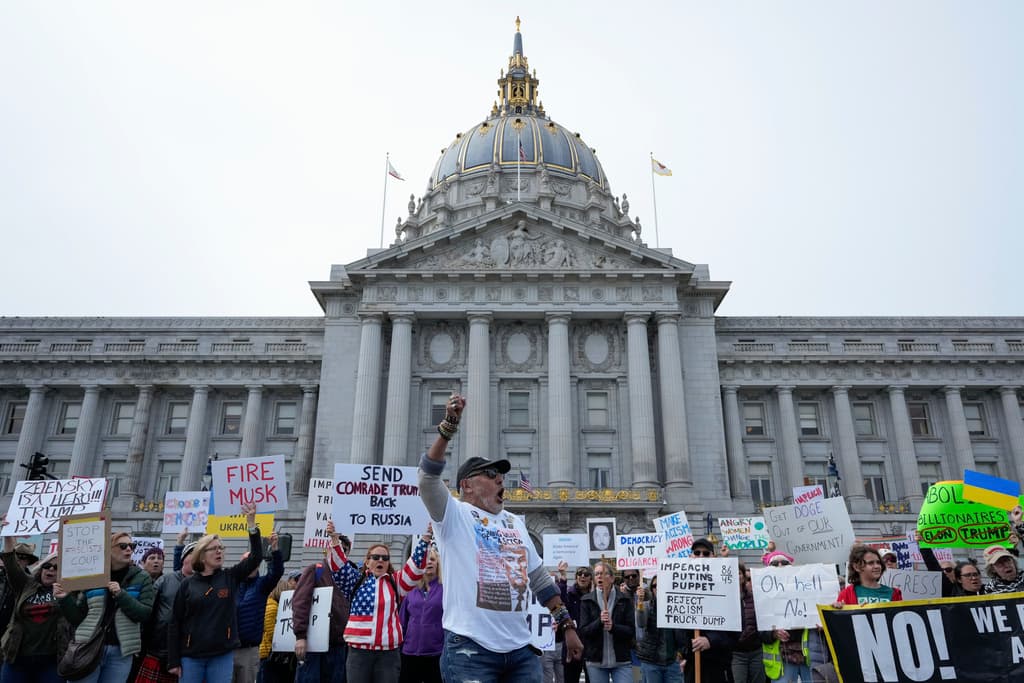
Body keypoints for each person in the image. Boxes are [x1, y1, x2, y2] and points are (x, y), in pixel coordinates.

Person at [418, 393, 583, 682]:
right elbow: (427, 478)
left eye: (501, 475)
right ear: (466, 485)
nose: (500, 479)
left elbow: (540, 581)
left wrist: (567, 626)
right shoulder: (453, 515)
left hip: (521, 652)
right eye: (491, 473)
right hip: (471, 651)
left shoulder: (514, 523)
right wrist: (449, 427)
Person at [322, 520, 430, 683]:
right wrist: (335, 539)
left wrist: (426, 538)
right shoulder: (355, 581)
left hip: (388, 655)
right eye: (376, 557)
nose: (381, 560)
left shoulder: (397, 583)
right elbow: (338, 566)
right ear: (367, 561)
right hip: (359, 653)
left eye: (385, 558)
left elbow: (415, 567)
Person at [167, 503, 263, 683]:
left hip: (222, 655)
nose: (219, 551)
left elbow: (256, 557)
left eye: (221, 548)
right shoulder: (187, 585)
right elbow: (175, 623)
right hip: (191, 656)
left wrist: (251, 524)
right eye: (214, 548)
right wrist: (173, 660)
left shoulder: (230, 577)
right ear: (202, 555)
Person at [58, 530, 156, 683]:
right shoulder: (93, 575)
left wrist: (121, 595)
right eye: (123, 546)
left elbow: (144, 614)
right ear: (108, 549)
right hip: (87, 647)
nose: (129, 549)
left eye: (132, 546)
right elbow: (78, 619)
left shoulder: (142, 577)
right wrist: (64, 599)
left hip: (120, 652)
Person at [0, 516, 67, 683]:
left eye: (56, 567)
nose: (50, 569)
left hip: (51, 660)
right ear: (41, 568)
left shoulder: (68, 591)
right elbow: (10, 561)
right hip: (17, 657)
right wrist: (8, 534)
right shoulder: (26, 584)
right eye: (47, 566)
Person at [759, 551, 829, 683]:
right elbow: (760, 632)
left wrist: (822, 623)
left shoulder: (808, 588)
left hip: (810, 657)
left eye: (784, 563)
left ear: (791, 566)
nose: (780, 566)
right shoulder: (762, 595)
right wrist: (773, 634)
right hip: (783, 660)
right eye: (775, 563)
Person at [134, 541, 197, 683]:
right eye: (191, 555)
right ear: (183, 559)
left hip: (189, 652)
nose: (195, 559)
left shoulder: (206, 585)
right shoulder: (165, 580)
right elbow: (148, 614)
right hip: (158, 650)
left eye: (199, 555)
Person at [680, 539, 737, 683]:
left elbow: (736, 631)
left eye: (705, 554)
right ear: (690, 556)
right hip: (692, 665)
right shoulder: (681, 588)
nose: (700, 557)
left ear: (713, 557)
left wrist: (710, 640)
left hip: (718, 665)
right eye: (696, 553)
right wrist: (683, 654)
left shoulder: (728, 588)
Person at [292, 545, 350, 683]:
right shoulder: (316, 570)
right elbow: (301, 601)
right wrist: (300, 635)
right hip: (314, 645)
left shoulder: (350, 576)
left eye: (343, 549)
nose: (339, 552)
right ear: (327, 550)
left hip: (339, 645)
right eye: (336, 548)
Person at [234, 532, 285, 683]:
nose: (250, 566)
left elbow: (276, 572)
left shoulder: (261, 585)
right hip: (227, 649)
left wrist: (275, 549)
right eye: (246, 562)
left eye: (253, 562)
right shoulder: (232, 584)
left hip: (248, 651)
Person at [579, 561, 633, 683]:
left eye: (603, 573)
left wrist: (614, 627)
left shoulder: (624, 599)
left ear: (612, 578)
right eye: (597, 574)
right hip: (596, 661)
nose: (599, 576)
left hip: (621, 661)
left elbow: (631, 631)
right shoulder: (587, 600)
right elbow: (583, 631)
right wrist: (599, 622)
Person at [398, 548, 444, 683]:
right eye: (426, 559)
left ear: (438, 564)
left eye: (432, 559)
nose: (429, 562)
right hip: (409, 652)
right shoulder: (410, 590)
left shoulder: (445, 589)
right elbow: (402, 620)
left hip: (435, 652)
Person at [635, 574, 686, 683]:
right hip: (651, 662)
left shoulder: (677, 606)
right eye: (655, 586)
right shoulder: (647, 605)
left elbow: (682, 633)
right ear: (652, 589)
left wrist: (681, 653)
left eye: (661, 584)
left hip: (672, 662)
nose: (658, 588)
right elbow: (641, 623)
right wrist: (639, 603)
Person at [0, 541, 38, 649]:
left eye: (23, 557)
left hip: (12, 633)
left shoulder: (32, 583)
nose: (18, 560)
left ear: (28, 561)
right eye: (16, 556)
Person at [258, 577, 297, 683]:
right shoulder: (272, 607)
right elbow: (271, 632)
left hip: (268, 652)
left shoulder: (271, 605)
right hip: (268, 653)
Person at [836, 545, 902, 605]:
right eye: (871, 563)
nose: (877, 566)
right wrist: (836, 610)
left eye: (878, 562)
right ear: (857, 567)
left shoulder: (894, 593)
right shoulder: (846, 594)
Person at [732, 563, 764, 683]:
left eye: (739, 573)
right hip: (737, 653)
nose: (737, 576)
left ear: (743, 576)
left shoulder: (754, 597)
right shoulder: (726, 598)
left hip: (756, 651)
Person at [563, 567, 593, 683]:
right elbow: (559, 606)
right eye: (579, 574)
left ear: (591, 578)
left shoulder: (596, 596)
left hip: (591, 647)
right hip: (572, 645)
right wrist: (562, 580)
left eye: (586, 574)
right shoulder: (569, 594)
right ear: (576, 577)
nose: (582, 576)